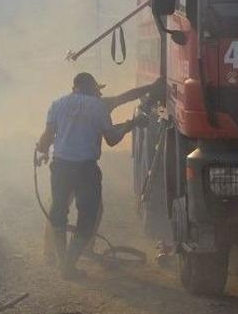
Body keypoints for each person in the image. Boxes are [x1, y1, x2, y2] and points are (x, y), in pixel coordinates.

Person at [35, 72, 159, 279]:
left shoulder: (58, 104)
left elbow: (47, 137)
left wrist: (42, 150)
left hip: (61, 167)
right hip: (85, 169)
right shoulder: (99, 105)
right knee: (88, 217)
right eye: (98, 90)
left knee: (58, 211)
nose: (99, 93)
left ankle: (58, 256)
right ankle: (69, 261)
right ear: (92, 88)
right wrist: (132, 123)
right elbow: (112, 137)